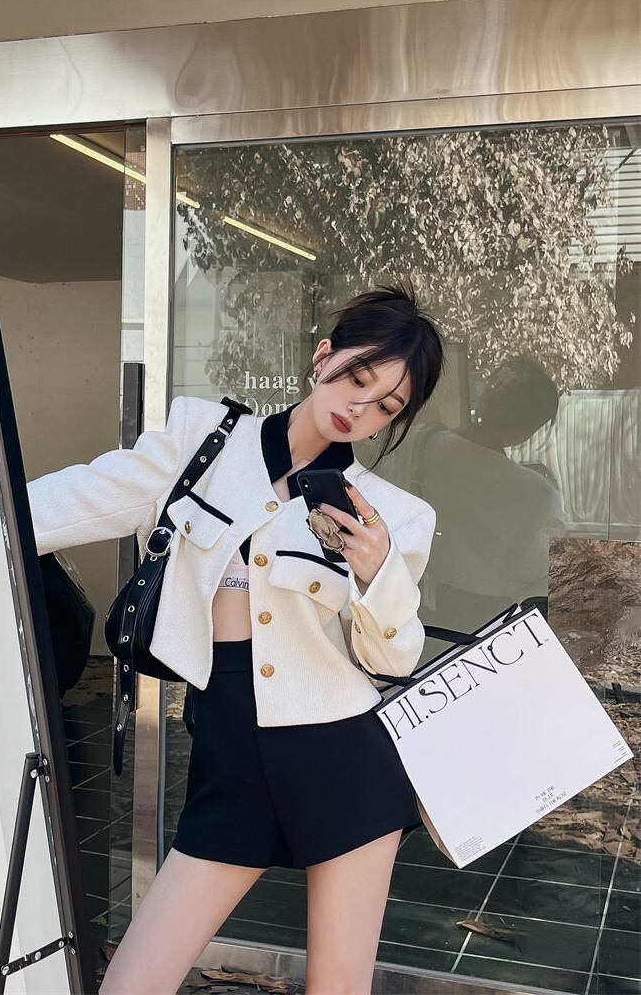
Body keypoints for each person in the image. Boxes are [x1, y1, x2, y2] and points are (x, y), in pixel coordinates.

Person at [27, 278, 445, 995]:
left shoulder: (395, 517)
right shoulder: (203, 442)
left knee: (338, 987)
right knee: (132, 983)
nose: (360, 408)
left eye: (386, 406)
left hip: (342, 759)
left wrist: (378, 573)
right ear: (323, 356)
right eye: (358, 379)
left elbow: (392, 658)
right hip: (230, 754)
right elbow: (59, 505)